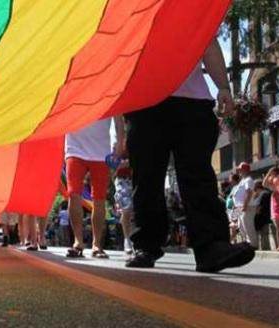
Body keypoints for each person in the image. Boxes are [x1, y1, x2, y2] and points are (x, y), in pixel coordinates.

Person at [124, 39, 255, 272]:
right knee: (146, 178)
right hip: (144, 100)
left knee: (198, 174)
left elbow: (207, 41)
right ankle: (146, 244)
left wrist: (223, 87)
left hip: (193, 101)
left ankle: (211, 248)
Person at [64, 117, 124, 259]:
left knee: (99, 198)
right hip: (75, 148)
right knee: (73, 194)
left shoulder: (108, 93)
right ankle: (78, 242)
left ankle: (97, 244)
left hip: (100, 152)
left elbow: (118, 118)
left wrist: (120, 142)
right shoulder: (71, 92)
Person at [230, 162, 257, 247]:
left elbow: (249, 193)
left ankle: (253, 245)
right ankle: (247, 243)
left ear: (245, 170)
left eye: (240, 170)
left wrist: (245, 205)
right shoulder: (243, 180)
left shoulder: (249, 180)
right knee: (241, 226)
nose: (239, 171)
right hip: (239, 207)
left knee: (247, 225)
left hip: (247, 206)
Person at [114, 161, 134, 254]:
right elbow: (112, 161)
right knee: (127, 208)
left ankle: (135, 239)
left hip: (139, 177)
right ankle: (127, 239)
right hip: (123, 179)